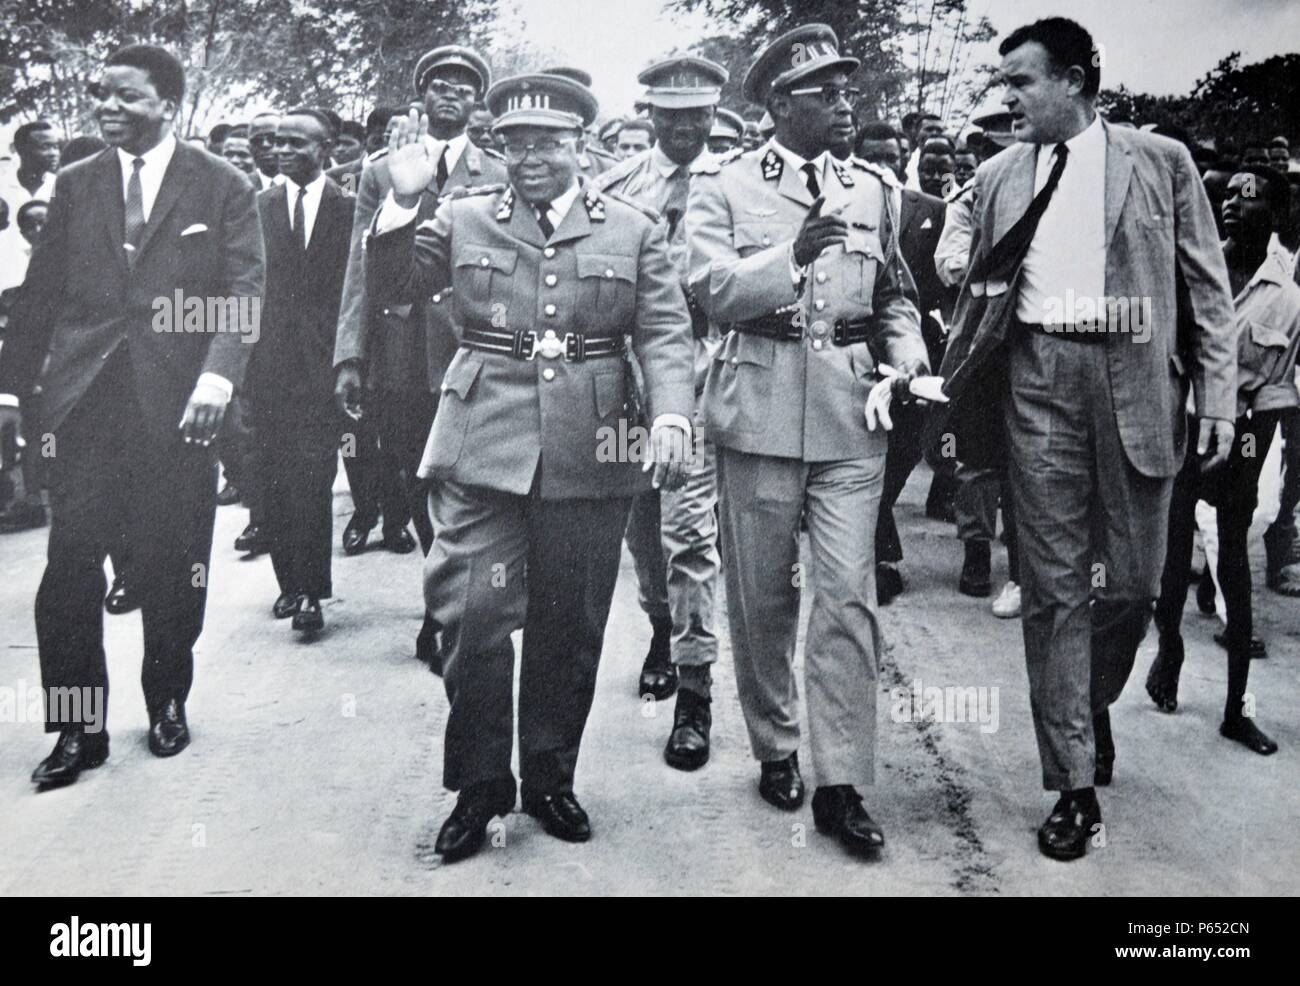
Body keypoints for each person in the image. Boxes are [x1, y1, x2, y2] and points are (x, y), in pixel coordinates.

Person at [365, 73, 695, 862]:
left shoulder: (633, 228)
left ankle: (548, 773)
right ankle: (481, 784)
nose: (530, 156)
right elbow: (395, 286)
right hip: (483, 437)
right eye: (515, 143)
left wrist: (674, 413)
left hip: (594, 442)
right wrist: (402, 204)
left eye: (548, 142)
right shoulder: (464, 216)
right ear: (499, 147)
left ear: (580, 144)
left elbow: (663, 332)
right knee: (470, 614)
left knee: (570, 622)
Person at [935, 18, 1237, 861]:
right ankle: (1072, 781)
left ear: (1073, 80)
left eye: (1023, 83)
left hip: (1136, 385)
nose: (1010, 99)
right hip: (1039, 385)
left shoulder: (1160, 162)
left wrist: (1217, 394)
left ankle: (1087, 701)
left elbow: (1208, 289)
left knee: (1136, 587)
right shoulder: (996, 176)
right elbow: (978, 297)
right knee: (1056, 587)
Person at [688, 24, 931, 858]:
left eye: (845, 91)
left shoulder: (873, 188)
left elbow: (892, 292)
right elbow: (709, 290)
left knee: (846, 595)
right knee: (761, 599)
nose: (842, 106)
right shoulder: (721, 184)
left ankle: (841, 781)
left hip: (850, 416)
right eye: (823, 93)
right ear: (778, 105)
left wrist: (908, 359)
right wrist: (786, 258)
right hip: (756, 409)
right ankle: (776, 744)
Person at [0, 43, 264, 788]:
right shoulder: (77, 185)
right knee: (69, 568)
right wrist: (14, 392)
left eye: (127, 96)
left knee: (172, 562)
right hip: (85, 405)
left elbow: (243, 289)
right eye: (101, 96)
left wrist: (217, 378)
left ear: (167, 104)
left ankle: (167, 698)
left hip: (180, 407)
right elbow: (41, 298)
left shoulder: (222, 185)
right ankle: (78, 726)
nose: (108, 108)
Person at [333, 45, 507, 671]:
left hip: (471, 347)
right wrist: (349, 355)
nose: (450, 94)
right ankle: (438, 605)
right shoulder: (381, 171)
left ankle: (456, 611)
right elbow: (361, 267)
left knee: (466, 483)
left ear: (477, 101)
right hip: (400, 348)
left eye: (463, 86)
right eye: (438, 84)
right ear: (422, 95)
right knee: (413, 476)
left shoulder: (499, 170)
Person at [594, 55, 727, 769]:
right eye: (671, 116)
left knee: (689, 534)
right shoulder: (614, 188)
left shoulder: (736, 187)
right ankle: (659, 628)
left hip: (706, 383)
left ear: (714, 114)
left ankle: (695, 697)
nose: (685, 128)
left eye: (698, 115)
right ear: (648, 115)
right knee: (640, 529)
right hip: (627, 385)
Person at [1147, 164, 1300, 755]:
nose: (1233, 201)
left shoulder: (1287, 299)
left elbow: (1275, 390)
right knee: (1170, 550)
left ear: (1278, 216)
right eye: (1229, 192)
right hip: (1178, 425)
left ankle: (1237, 708)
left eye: (1251, 195)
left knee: (1235, 564)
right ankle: (1169, 649)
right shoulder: (1191, 272)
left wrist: (1241, 452)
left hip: (1236, 438)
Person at [246, 108, 354, 635]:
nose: (281, 150)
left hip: (325, 366)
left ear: (326, 148)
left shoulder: (349, 208)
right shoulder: (256, 207)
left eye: (295, 143)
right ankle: (289, 583)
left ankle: (312, 590)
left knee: (313, 477)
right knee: (272, 476)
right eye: (275, 142)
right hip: (266, 367)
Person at [1, 121, 59, 292]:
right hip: (7, 284)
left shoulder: (61, 187)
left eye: (56, 147)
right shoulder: (2, 187)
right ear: (22, 150)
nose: (54, 153)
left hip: (49, 287)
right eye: (46, 147)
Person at [248, 112, 283, 190]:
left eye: (273, 138)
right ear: (249, 148)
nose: (265, 145)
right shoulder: (239, 187)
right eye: (257, 140)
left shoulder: (305, 183)